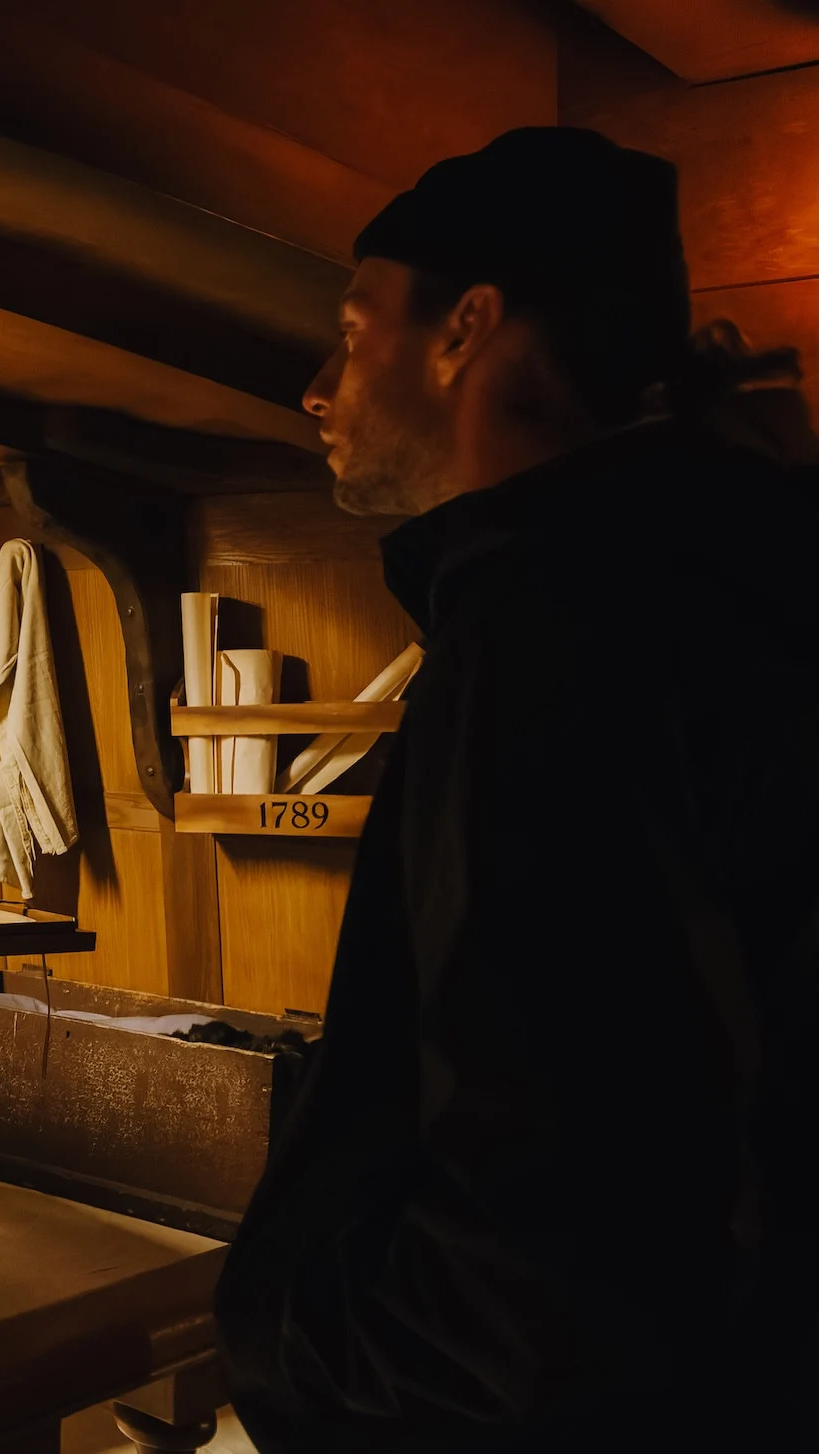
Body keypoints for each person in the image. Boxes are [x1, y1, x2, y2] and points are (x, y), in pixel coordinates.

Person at [215, 126, 817, 1452]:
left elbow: (552, 1228)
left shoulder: (557, 630)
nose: (318, 384)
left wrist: (295, 1344)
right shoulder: (713, 570)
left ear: (466, 328)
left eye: (354, 325)